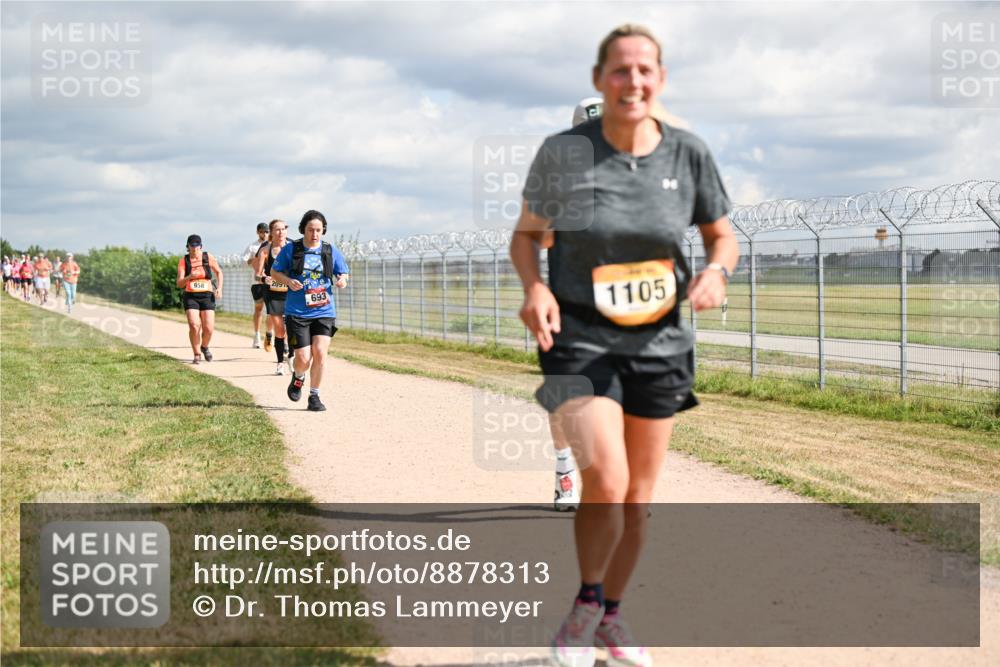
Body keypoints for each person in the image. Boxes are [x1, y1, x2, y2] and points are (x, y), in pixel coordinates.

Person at [510, 24, 737, 667]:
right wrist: (535, 289)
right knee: (604, 481)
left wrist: (716, 272)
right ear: (598, 79)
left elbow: (723, 236)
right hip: (579, 336)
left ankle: (610, 616)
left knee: (638, 497)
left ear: (659, 79)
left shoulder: (688, 154)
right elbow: (527, 235)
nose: (632, 80)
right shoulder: (563, 153)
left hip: (660, 343)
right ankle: (585, 606)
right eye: (619, 69)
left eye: (644, 70)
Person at [270, 210, 349, 412]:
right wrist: (288, 281)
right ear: (303, 229)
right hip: (297, 313)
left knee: (320, 353)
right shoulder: (291, 249)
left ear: (323, 230)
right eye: (310, 230)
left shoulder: (330, 251)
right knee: (303, 359)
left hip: (324, 311)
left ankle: (314, 395)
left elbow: (343, 273)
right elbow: (274, 272)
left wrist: (342, 280)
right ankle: (298, 377)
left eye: (318, 230)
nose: (314, 234)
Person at [176, 234, 224, 364]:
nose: (195, 250)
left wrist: (219, 288)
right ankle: (197, 354)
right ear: (188, 247)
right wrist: (189, 276)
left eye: (197, 246)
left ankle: (204, 347)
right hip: (191, 296)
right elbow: (179, 283)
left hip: (207, 295)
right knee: (194, 325)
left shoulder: (208, 257)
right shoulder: (184, 261)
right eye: (192, 247)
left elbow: (219, 272)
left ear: (201, 246)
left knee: (208, 328)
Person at [253, 219, 293, 375]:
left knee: (291, 327)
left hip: (290, 292)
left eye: (284, 229)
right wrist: (264, 278)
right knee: (279, 329)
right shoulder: (265, 250)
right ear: (271, 232)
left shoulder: (292, 249)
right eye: (277, 229)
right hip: (273, 293)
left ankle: (291, 354)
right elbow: (257, 274)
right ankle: (279, 363)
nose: (281, 232)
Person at [243, 222, 273, 350]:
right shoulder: (252, 247)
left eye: (266, 232)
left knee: (272, 311)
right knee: (259, 309)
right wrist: (254, 260)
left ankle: (269, 335)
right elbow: (244, 261)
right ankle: (256, 335)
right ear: (258, 232)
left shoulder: (273, 245)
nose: (264, 234)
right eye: (262, 232)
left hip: (272, 282)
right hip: (257, 283)